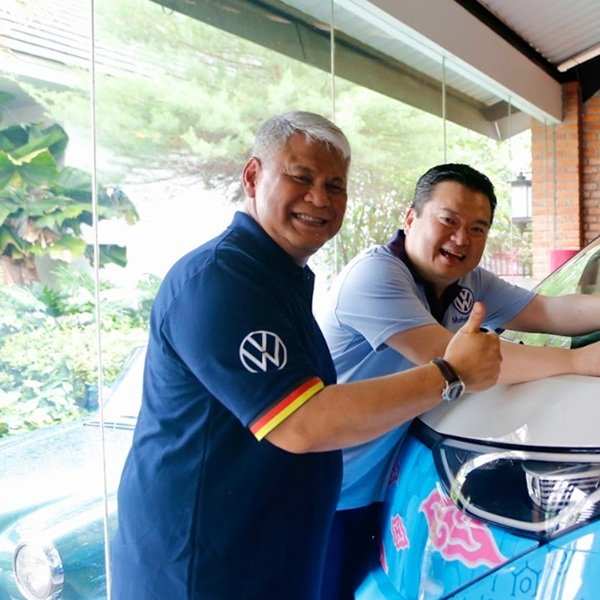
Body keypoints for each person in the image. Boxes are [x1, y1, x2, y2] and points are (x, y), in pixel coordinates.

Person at [111, 116, 502, 599]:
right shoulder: (221, 279)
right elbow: (304, 422)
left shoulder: (280, 277)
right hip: (203, 568)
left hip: (269, 551)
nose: (319, 199)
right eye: (301, 177)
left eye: (334, 186)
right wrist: (450, 372)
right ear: (252, 177)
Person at [316, 163, 600, 598]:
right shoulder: (375, 277)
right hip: (322, 491)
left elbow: (544, 311)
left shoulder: (467, 282)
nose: (460, 239)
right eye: (448, 220)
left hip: (379, 485)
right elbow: (463, 362)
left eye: (477, 228)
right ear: (411, 218)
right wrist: (577, 360)